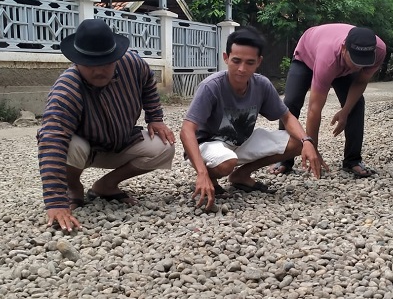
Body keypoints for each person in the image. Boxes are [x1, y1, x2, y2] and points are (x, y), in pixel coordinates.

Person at [37, 19, 176, 231]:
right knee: (69, 144)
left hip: (123, 141)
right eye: (91, 65)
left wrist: (154, 117)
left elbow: (148, 81)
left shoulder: (132, 63)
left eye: (106, 63)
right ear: (77, 61)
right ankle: (73, 188)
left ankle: (106, 185)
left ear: (116, 57)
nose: (99, 71)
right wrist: (55, 200)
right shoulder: (66, 89)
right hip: (85, 149)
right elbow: (51, 140)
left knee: (165, 146)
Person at [180, 26, 328, 210]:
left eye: (249, 62)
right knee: (227, 162)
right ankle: (209, 177)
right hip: (208, 145)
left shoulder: (261, 84)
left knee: (297, 142)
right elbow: (187, 130)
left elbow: (287, 116)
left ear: (259, 62)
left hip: (239, 142)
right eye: (236, 61)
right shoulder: (211, 87)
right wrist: (201, 172)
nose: (242, 69)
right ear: (226, 58)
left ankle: (241, 176)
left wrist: (307, 141)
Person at [271, 24, 386, 178]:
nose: (359, 66)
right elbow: (314, 109)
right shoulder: (328, 58)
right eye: (356, 60)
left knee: (356, 105)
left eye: (364, 62)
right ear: (344, 48)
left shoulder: (379, 50)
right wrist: (314, 150)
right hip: (307, 55)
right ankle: (284, 160)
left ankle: (353, 161)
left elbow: (360, 82)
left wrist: (345, 111)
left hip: (340, 63)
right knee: (290, 104)